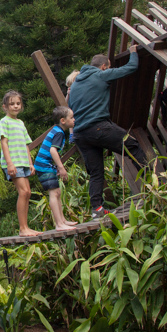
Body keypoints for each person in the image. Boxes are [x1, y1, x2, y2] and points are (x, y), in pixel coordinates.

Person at [68, 45, 147, 219]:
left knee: (96, 172)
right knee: (133, 147)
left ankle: (97, 209)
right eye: (109, 66)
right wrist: (133, 51)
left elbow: (70, 109)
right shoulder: (101, 75)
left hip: (81, 134)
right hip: (98, 127)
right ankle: (153, 187)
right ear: (104, 66)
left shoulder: (75, 85)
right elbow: (131, 68)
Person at [0, 90, 40, 236]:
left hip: (23, 161)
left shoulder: (21, 123)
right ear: (5, 106)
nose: (15, 106)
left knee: (27, 193)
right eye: (12, 104)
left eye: (18, 103)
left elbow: (26, 145)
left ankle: (26, 227)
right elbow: (4, 143)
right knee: (23, 192)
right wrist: (9, 164)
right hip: (13, 163)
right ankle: (23, 229)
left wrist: (30, 163)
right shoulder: (4, 122)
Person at [34, 106, 78, 231]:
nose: (74, 120)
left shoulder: (57, 130)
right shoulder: (59, 132)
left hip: (46, 165)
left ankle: (62, 220)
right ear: (63, 120)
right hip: (44, 166)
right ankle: (59, 224)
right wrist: (61, 167)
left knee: (57, 192)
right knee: (54, 193)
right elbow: (53, 151)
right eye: (72, 117)